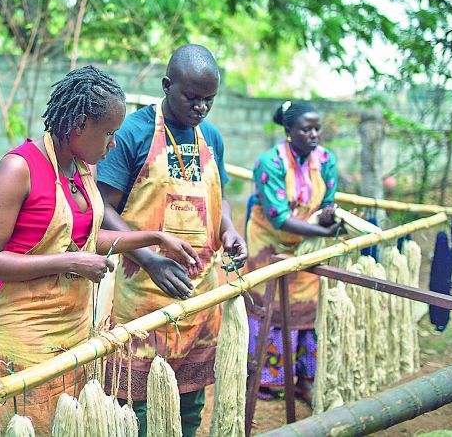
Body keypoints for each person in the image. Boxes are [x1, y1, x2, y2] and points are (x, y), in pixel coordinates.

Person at [0, 65, 198, 435]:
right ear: (78, 125)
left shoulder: (81, 168)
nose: (113, 144)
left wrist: (154, 239)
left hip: (73, 329)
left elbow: (89, 239)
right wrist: (70, 262)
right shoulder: (19, 168)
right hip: (26, 336)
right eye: (108, 133)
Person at [96, 44, 248, 437]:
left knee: (189, 403)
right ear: (167, 86)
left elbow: (220, 200)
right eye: (192, 97)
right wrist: (149, 258)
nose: (200, 108)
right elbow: (104, 208)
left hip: (200, 294)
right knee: (138, 406)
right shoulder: (134, 132)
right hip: (145, 290)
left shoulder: (211, 136)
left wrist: (229, 230)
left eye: (208, 100)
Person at [242, 100, 339, 403]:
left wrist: (328, 218)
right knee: (270, 304)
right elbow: (279, 216)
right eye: (306, 129)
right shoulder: (269, 163)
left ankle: (304, 380)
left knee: (307, 311)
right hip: (270, 243)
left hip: (307, 247)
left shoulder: (326, 160)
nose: (314, 135)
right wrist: (323, 231)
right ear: (288, 130)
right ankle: (267, 380)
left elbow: (327, 203)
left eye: (317, 129)